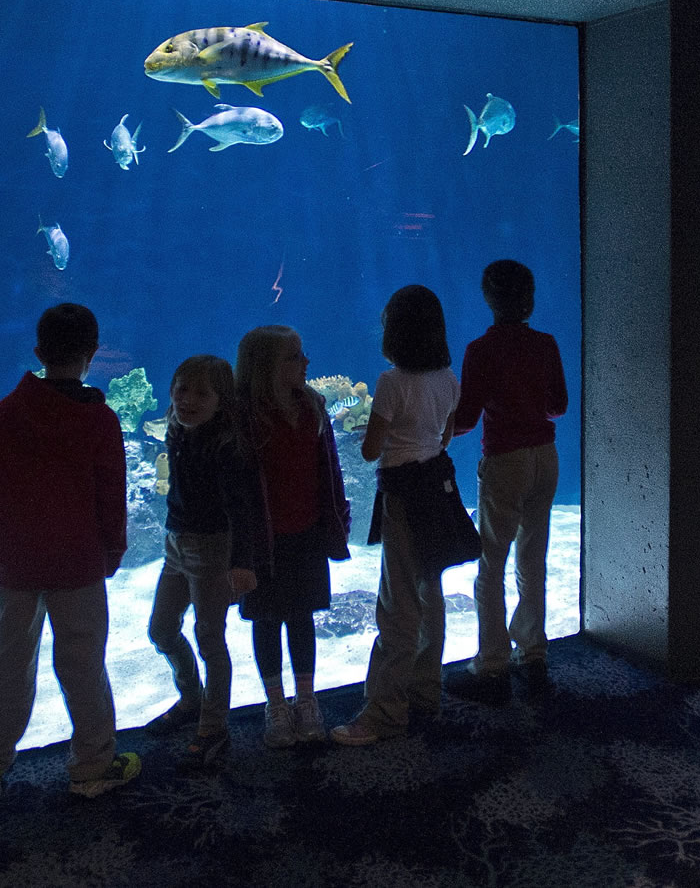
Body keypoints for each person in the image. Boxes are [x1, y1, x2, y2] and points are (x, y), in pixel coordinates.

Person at [0, 303, 140, 799]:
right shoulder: (100, 421)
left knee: (8, 663)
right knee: (83, 665)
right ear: (92, 355)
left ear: (38, 351)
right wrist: (113, 549)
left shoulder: (7, 410)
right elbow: (111, 495)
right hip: (78, 564)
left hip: (15, 564)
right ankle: (92, 767)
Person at [332, 285, 463, 747]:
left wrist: (377, 431)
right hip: (438, 489)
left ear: (394, 332)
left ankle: (386, 711)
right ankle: (426, 691)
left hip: (404, 497)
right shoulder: (449, 378)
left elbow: (370, 451)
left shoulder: (391, 384)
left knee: (397, 604)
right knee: (430, 594)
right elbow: (446, 437)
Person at [446, 260, 568, 703]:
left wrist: (432, 428)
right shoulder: (547, 344)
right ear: (531, 298)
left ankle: (492, 660)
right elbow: (559, 406)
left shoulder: (481, 349)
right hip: (546, 458)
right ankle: (533, 651)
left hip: (505, 461)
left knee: (491, 562)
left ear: (488, 299)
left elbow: (467, 418)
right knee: (532, 558)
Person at [234, 325, 352, 750]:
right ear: (265, 367)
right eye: (295, 356)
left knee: (302, 616)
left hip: (306, 534)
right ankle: (275, 702)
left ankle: (306, 699)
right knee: (266, 620)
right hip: (260, 540)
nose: (306, 363)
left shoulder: (313, 408)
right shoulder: (243, 417)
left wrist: (337, 521)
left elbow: (331, 473)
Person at [144, 354, 264, 773]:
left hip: (212, 550)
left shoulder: (227, 447)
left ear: (221, 400)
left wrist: (242, 563)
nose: (188, 400)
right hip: (175, 546)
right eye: (181, 390)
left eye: (201, 393)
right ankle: (191, 698)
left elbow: (242, 509)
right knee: (161, 629)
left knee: (210, 638)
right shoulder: (176, 432)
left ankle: (214, 727)